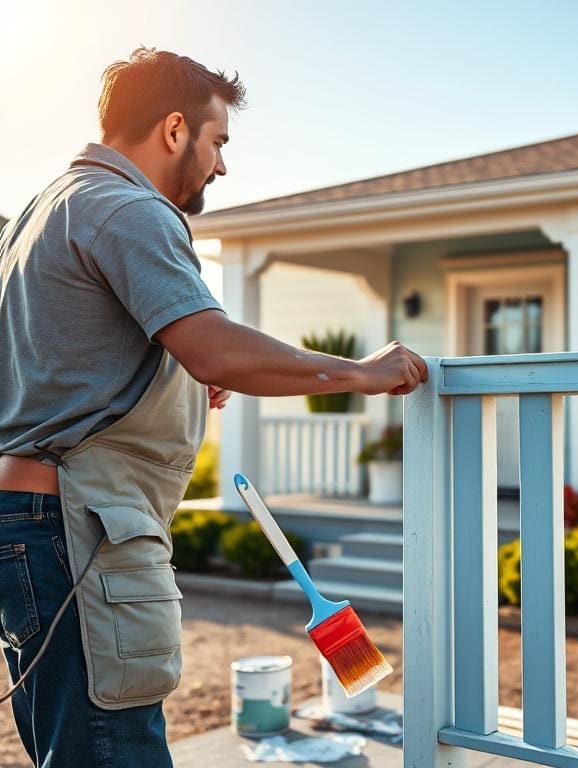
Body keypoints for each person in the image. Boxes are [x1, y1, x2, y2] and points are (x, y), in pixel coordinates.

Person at [0, 48, 427, 768]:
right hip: (79, 526)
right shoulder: (127, 208)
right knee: (112, 753)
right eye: (218, 140)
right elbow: (218, 349)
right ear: (174, 130)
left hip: (34, 524)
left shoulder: (45, 210)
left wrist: (168, 370)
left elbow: (61, 362)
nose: (222, 165)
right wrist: (359, 372)